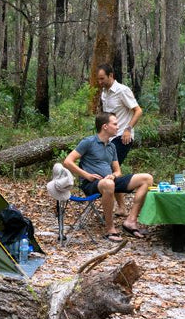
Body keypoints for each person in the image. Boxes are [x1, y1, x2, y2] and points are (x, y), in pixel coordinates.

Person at [63, 112, 154, 242]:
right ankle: (110, 228)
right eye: (115, 124)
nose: (118, 127)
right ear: (105, 126)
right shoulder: (88, 142)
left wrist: (113, 175)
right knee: (108, 184)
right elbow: (67, 161)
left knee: (147, 178)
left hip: (109, 181)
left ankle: (130, 221)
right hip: (92, 184)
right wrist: (86, 175)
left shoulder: (112, 146)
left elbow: (118, 171)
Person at [96, 64, 143, 217]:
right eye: (98, 79)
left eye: (102, 78)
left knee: (111, 169)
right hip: (109, 137)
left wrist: (128, 129)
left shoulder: (122, 90)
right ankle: (120, 207)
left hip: (123, 137)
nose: (100, 82)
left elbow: (138, 110)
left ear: (111, 76)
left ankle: (120, 207)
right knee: (110, 170)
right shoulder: (104, 93)